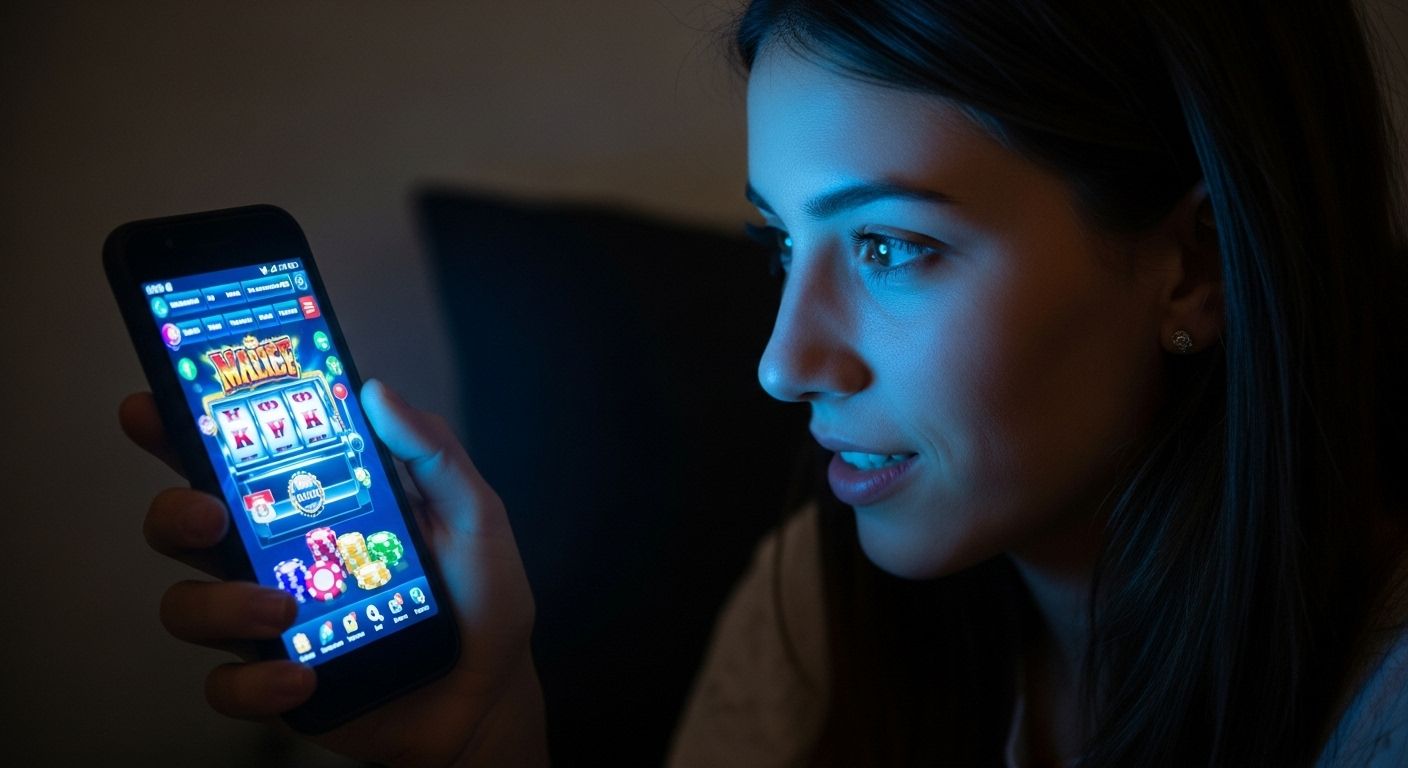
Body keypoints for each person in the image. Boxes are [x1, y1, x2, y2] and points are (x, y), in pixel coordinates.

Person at [122, 0, 1408, 765]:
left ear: (1190, 269)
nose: (783, 362)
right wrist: (491, 737)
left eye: (892, 247)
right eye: (781, 244)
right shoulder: (809, 598)